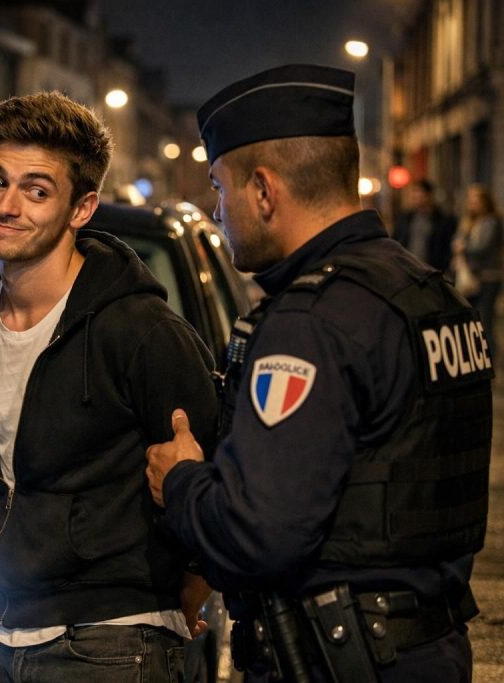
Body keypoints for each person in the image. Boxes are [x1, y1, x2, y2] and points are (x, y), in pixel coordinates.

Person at [145, 64, 492, 682]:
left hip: (339, 659)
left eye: (220, 190)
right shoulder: (429, 294)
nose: (218, 212)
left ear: (263, 190)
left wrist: (181, 482)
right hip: (429, 646)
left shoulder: (311, 322)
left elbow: (259, 535)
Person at [0, 90, 218, 682]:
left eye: (36, 190)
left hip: (111, 641)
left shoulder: (140, 330)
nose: (6, 205)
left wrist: (187, 585)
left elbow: (213, 470)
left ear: (81, 208)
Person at [453, 183, 503, 359]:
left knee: (485, 320)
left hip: (488, 276)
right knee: (470, 319)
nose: (473, 204)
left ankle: (491, 359)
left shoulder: (492, 221)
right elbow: (456, 242)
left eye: (477, 200)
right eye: (470, 200)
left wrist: (464, 248)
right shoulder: (467, 222)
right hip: (469, 277)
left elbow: (482, 248)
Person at [391, 179, 456, 271]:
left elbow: (447, 248)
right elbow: (396, 240)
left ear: (428, 195)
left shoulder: (443, 220)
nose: (414, 197)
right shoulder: (405, 218)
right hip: (407, 270)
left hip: (432, 271)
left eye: (418, 193)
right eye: (413, 193)